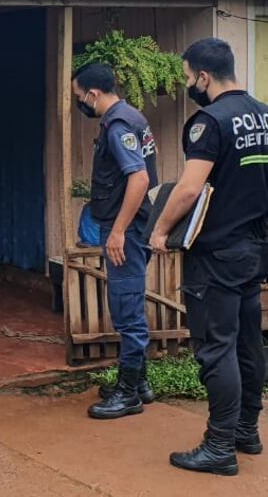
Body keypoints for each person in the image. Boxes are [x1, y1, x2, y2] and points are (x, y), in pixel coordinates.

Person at [149, 37, 268, 476]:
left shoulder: (210, 122)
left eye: (187, 77)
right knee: (248, 342)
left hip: (216, 252)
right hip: (254, 250)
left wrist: (161, 230)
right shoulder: (264, 114)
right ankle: (246, 432)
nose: (188, 85)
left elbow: (189, 189)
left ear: (202, 76)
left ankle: (219, 446)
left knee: (217, 348)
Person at [72, 63, 159, 419]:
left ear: (93, 94)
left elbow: (139, 178)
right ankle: (140, 384)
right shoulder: (131, 116)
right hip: (134, 226)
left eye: (79, 96)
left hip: (128, 229)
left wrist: (119, 231)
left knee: (126, 308)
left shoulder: (119, 124)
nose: (80, 102)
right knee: (129, 301)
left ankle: (128, 394)